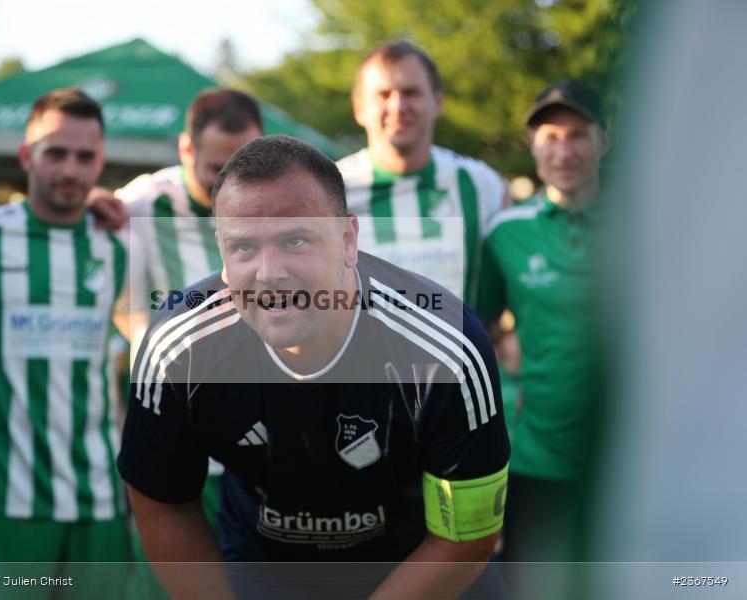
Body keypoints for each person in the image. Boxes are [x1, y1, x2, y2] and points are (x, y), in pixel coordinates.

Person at [118, 135, 510, 599]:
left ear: (348, 240)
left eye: (295, 239)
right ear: (221, 253)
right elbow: (164, 506)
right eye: (243, 248)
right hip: (264, 568)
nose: (270, 273)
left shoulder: (445, 348)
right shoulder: (179, 350)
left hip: (418, 561)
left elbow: (463, 539)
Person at [0, 88, 131, 572]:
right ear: (27, 155)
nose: (70, 169)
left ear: (100, 160)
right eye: (56, 152)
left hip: (99, 494)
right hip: (2, 493)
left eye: (84, 156)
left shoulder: (118, 244)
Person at [111, 87, 263, 533]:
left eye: (246, 164)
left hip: (261, 446)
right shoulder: (143, 203)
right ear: (186, 148)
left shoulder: (275, 202)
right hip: (177, 438)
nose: (233, 184)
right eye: (218, 169)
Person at [476, 79, 609, 563]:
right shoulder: (505, 233)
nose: (564, 151)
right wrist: (506, 340)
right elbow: (481, 325)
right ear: (533, 146)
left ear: (603, 141)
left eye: (577, 135)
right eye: (550, 137)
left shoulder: (644, 223)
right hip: (535, 455)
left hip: (625, 459)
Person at [338, 41, 507, 306]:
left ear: (437, 102)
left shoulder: (480, 184)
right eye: (383, 95)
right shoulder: (333, 188)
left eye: (411, 92)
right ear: (359, 108)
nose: (398, 107)